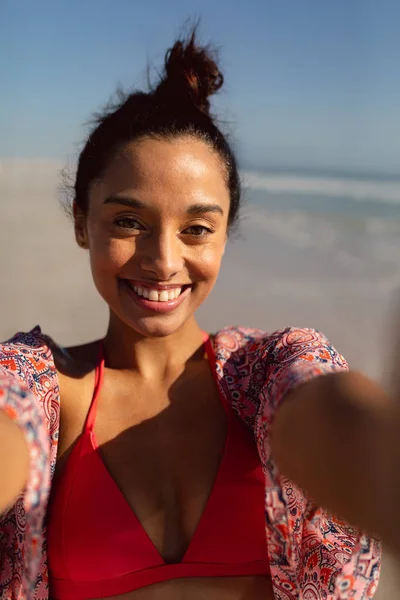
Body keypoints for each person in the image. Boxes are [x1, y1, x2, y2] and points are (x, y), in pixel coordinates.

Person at [2, 30, 397, 600]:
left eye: (196, 229)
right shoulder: (43, 390)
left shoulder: (266, 376)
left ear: (225, 234)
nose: (164, 261)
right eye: (128, 222)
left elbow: (329, 416)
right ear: (81, 223)